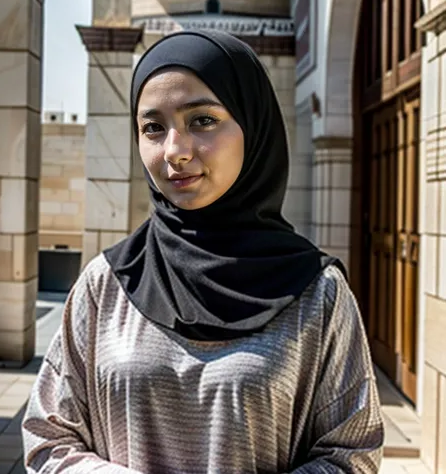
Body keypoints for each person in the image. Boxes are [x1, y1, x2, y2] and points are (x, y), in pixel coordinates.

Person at [22, 30, 384, 473]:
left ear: (252, 125)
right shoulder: (107, 284)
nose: (174, 151)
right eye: (153, 127)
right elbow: (48, 436)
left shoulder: (317, 294)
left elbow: (352, 455)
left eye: (202, 121)